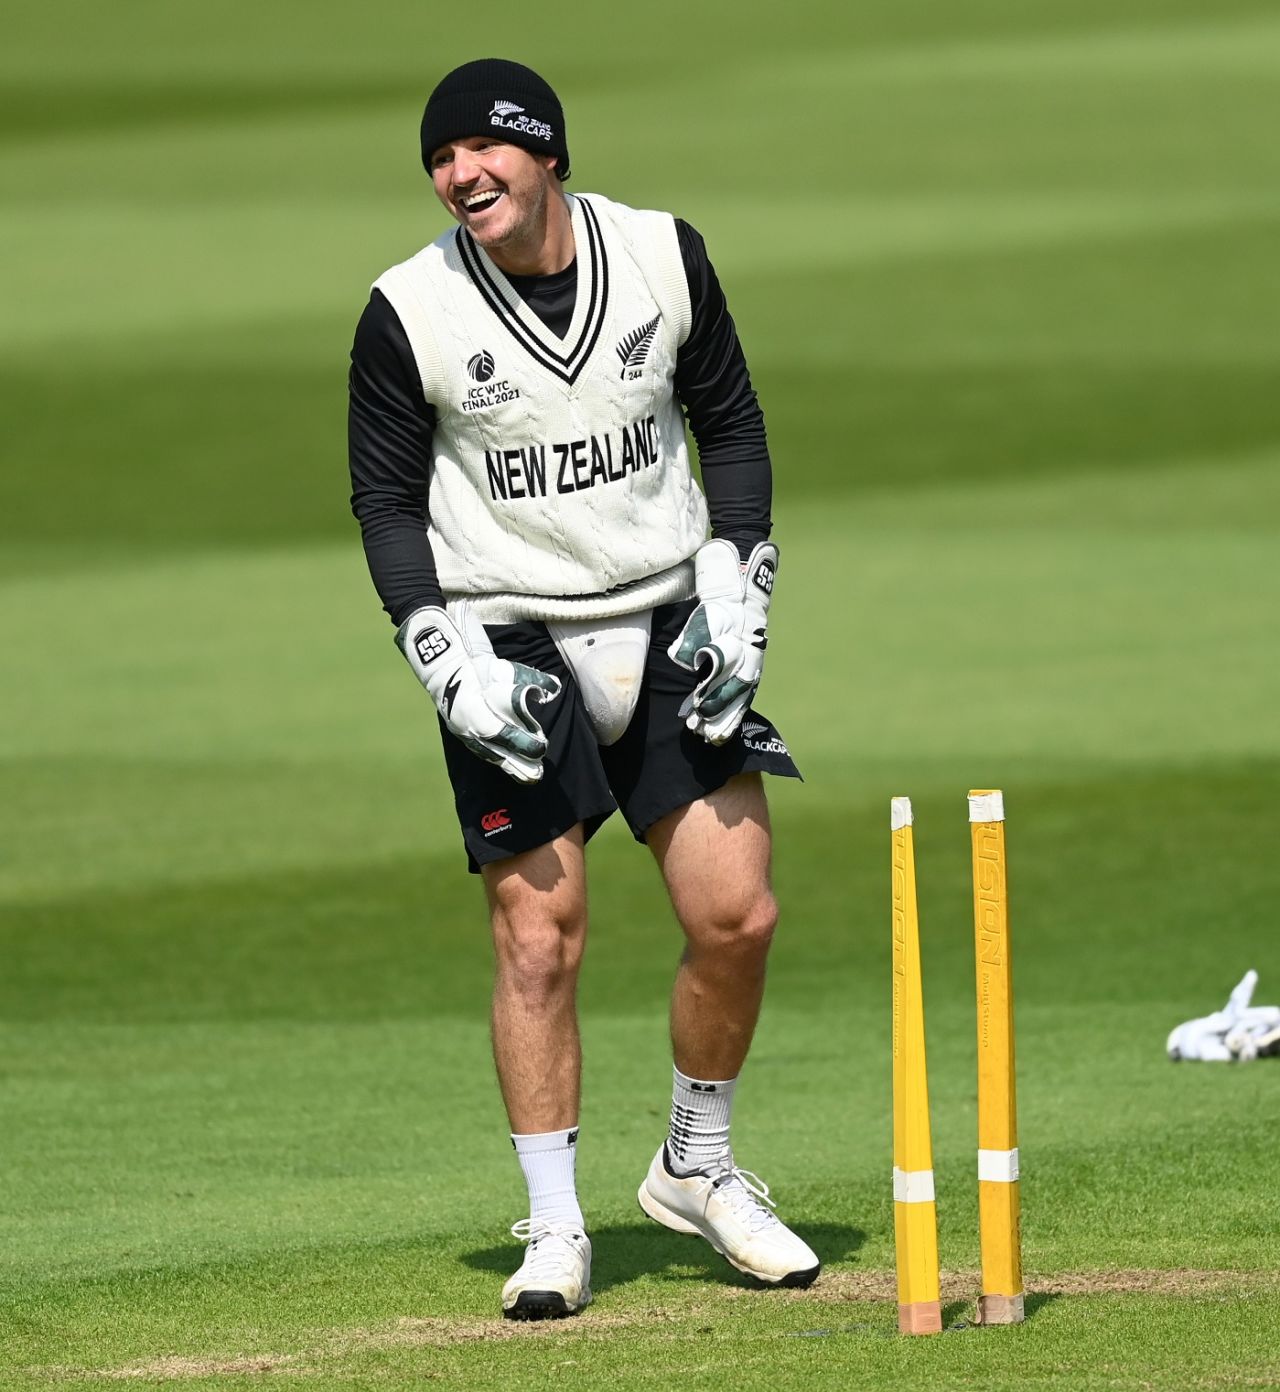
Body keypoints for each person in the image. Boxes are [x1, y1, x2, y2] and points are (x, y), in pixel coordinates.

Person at [348, 58, 819, 1320]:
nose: (459, 176)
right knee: (538, 941)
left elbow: (732, 423)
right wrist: (440, 654)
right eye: (439, 161)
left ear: (544, 151)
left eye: (481, 152)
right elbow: (386, 508)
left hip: (664, 614)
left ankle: (696, 1168)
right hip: (513, 637)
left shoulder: (662, 255)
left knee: (738, 915)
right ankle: (555, 1229)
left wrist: (740, 586)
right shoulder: (409, 309)